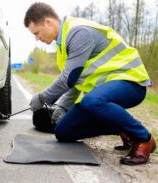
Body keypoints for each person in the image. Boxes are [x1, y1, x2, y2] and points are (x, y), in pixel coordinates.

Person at [24, 2, 156, 165]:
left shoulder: (78, 32)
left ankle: (143, 138)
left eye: (36, 33)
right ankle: (123, 128)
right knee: (63, 131)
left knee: (91, 102)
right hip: (102, 93)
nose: (37, 38)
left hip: (131, 82)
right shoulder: (62, 45)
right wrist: (62, 107)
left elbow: (68, 78)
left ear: (48, 22)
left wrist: (42, 98)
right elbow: (75, 82)